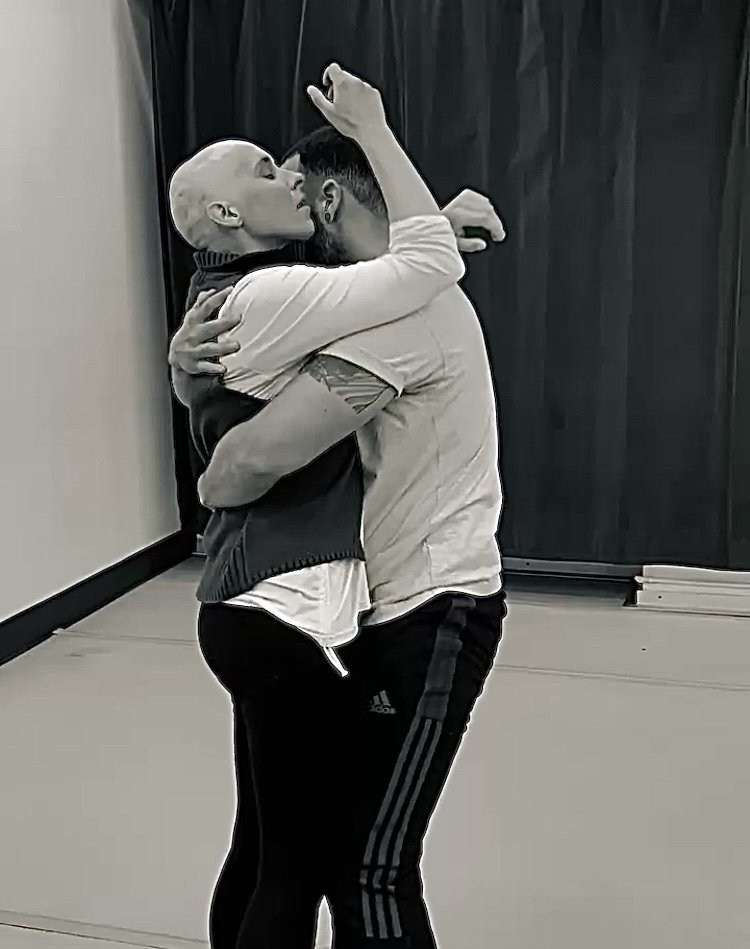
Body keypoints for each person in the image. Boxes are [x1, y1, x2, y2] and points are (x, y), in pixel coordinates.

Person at [167, 64, 505, 949]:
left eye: (289, 178)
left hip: (408, 605)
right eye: (263, 174)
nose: (282, 186)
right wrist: (208, 456)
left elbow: (245, 454)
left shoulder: (378, 312)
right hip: (291, 612)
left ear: (322, 203)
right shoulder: (305, 297)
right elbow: (244, 453)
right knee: (309, 861)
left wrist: (204, 450)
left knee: (324, 857)